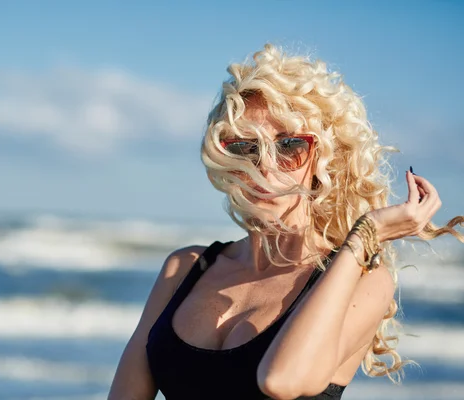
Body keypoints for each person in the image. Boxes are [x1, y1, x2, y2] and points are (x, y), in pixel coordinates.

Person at [107, 44, 464, 400]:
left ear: (325, 156)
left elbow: (283, 381)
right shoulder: (184, 269)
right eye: (245, 147)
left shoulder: (363, 281)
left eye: (289, 145)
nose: (265, 167)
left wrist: (366, 236)